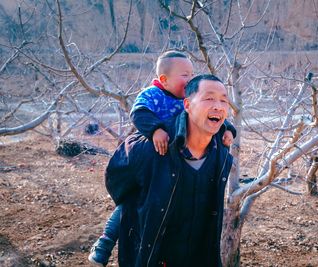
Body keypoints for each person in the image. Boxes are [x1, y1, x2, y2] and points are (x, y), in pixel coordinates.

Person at [88, 51, 235, 266]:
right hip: (155, 141)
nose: (218, 105)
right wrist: (155, 131)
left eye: (223, 100)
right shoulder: (153, 97)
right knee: (130, 201)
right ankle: (105, 242)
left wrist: (229, 130)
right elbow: (139, 114)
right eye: (185, 75)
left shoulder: (220, 153)